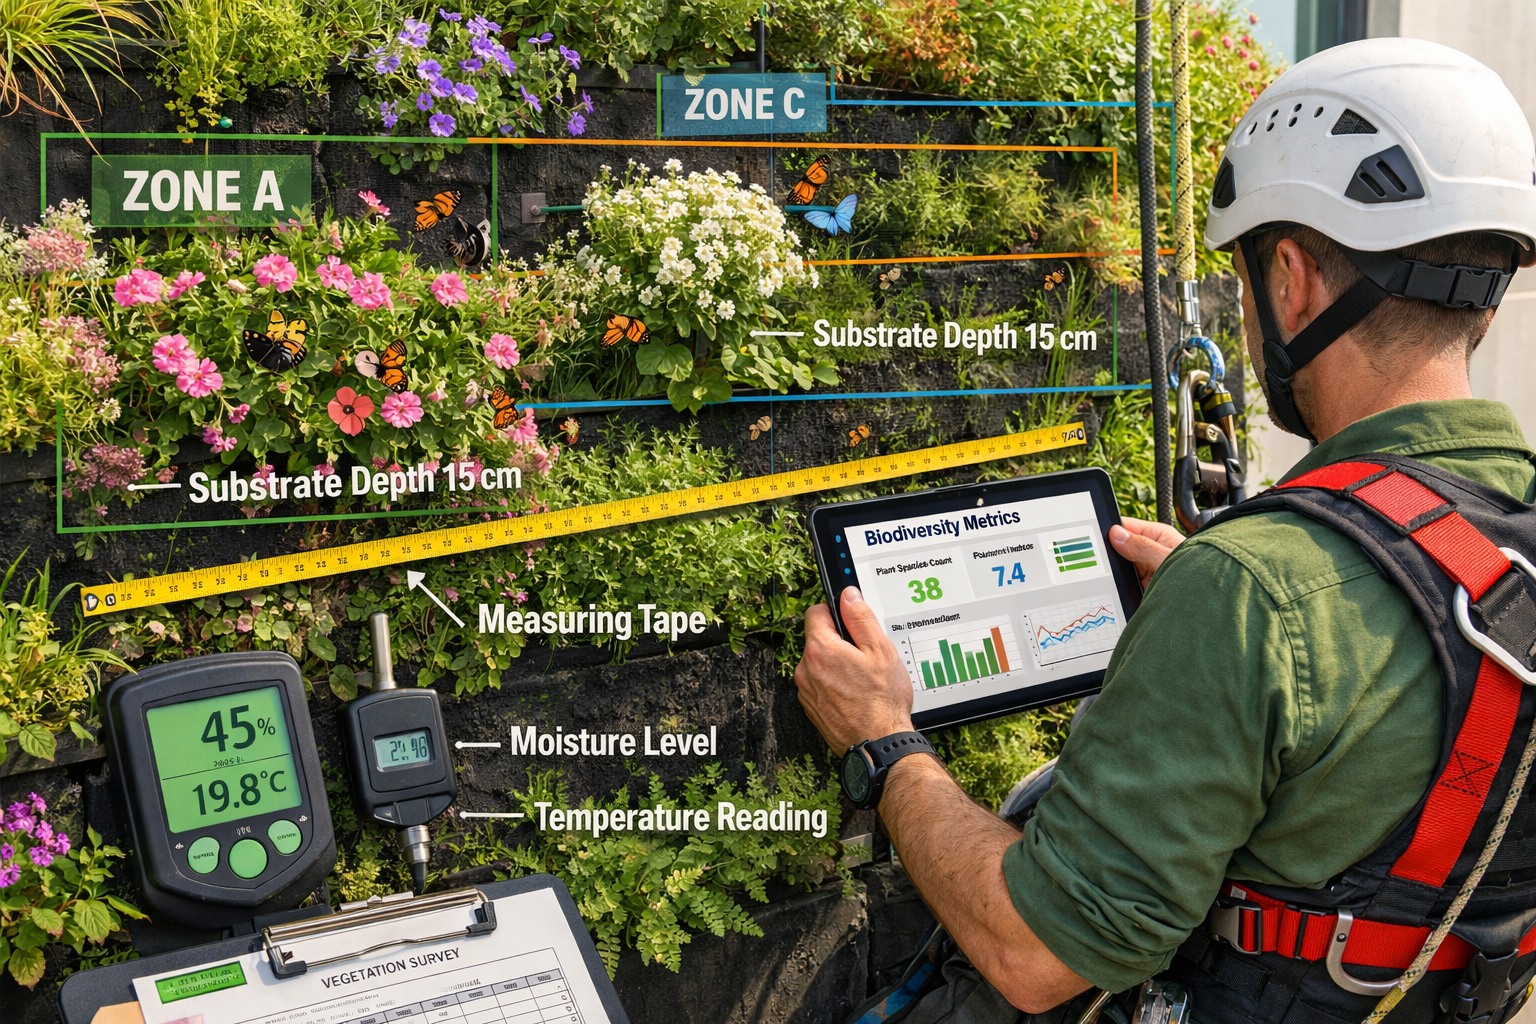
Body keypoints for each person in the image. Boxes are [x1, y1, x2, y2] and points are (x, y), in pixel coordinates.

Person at [795, 38, 1536, 1024]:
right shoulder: (1449, 552)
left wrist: (883, 737)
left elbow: (1034, 952)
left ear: (1291, 279)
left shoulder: (1253, 591)